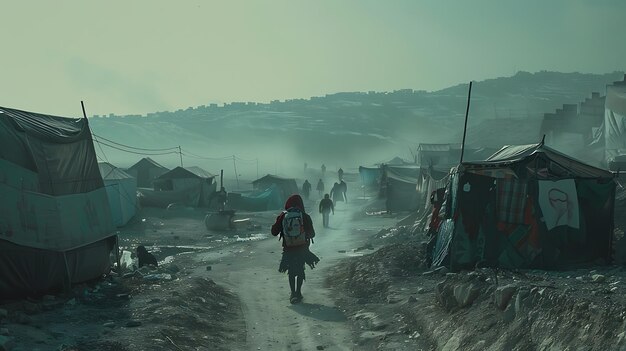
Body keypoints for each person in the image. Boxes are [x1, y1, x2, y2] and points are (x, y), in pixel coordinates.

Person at [271, 195, 320, 304]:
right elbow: (312, 234)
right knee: (300, 270)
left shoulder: (283, 216)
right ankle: (298, 292)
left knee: (291, 272)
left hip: (288, 249)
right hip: (302, 249)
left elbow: (274, 232)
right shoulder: (305, 216)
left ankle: (293, 293)